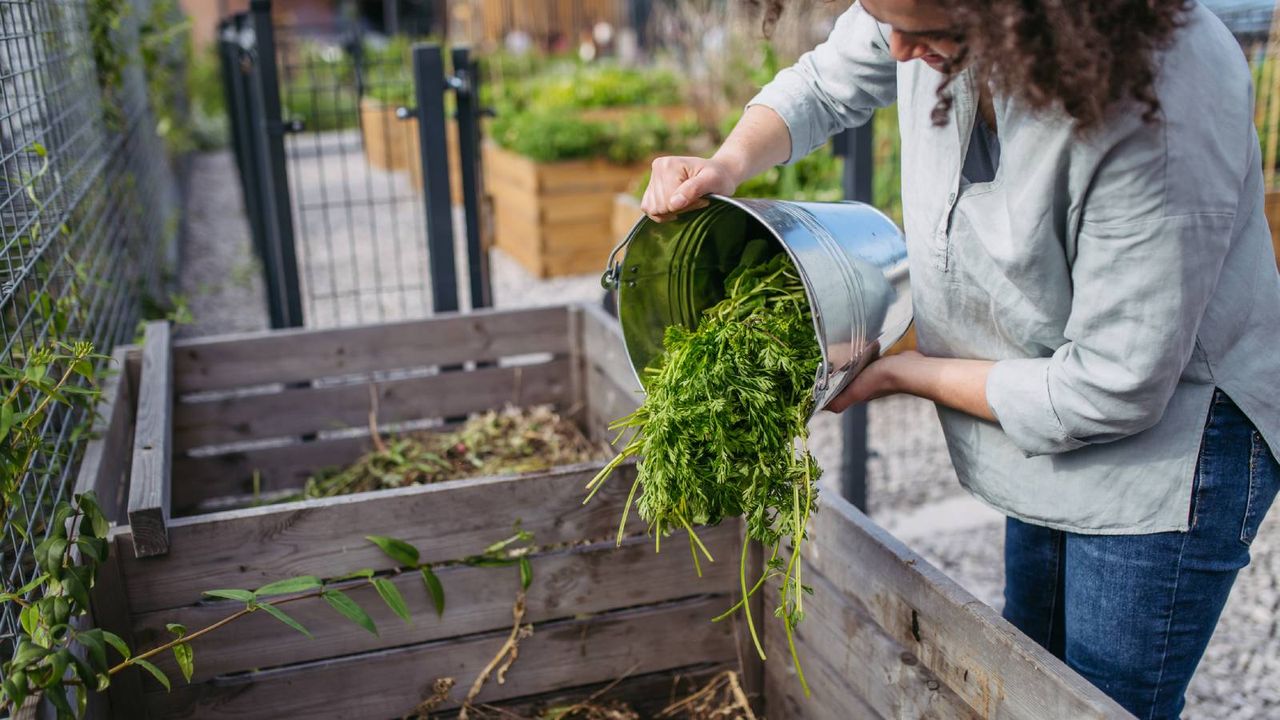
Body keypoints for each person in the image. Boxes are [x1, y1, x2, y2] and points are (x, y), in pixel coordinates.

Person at [639, 1, 1280, 717]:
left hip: (1165, 448)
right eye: (887, 20)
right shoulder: (932, 15)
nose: (900, 48)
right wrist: (727, 163)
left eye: (933, 30)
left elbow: (1110, 389)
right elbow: (827, 80)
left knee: (1103, 700)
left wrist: (906, 371)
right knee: (1029, 673)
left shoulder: (1160, 105)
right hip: (1037, 394)